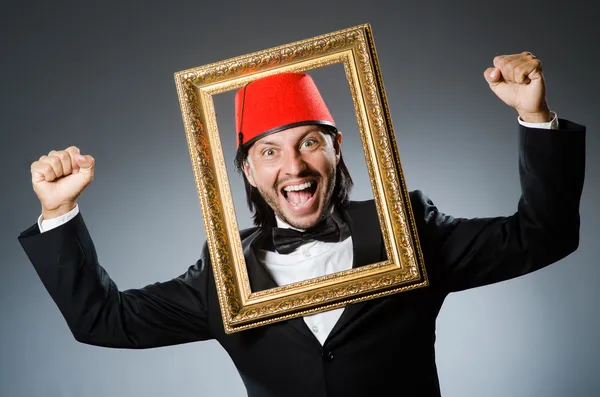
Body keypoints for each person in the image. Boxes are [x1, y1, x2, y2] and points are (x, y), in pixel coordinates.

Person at [18, 52, 586, 397]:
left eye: (308, 143)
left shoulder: (405, 231)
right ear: (247, 169)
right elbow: (103, 320)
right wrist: (56, 212)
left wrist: (533, 114)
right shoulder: (225, 274)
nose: (293, 166)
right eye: (269, 152)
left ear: (336, 149)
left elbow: (544, 235)